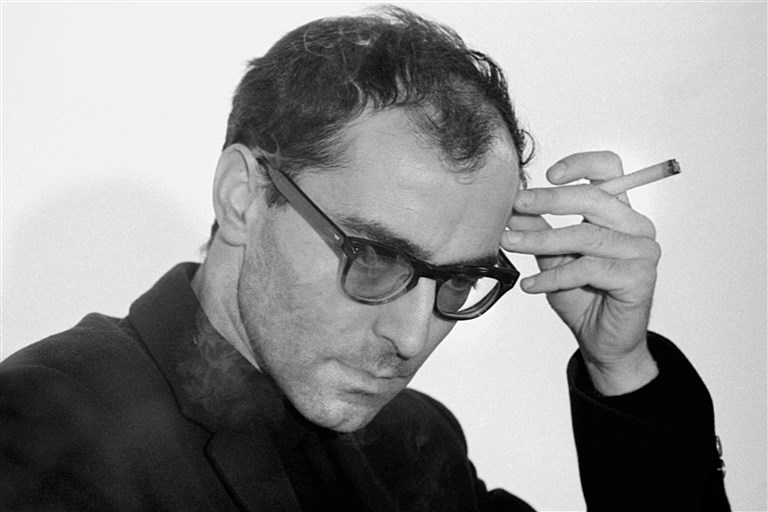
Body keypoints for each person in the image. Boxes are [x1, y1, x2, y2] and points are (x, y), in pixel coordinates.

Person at [0, 6, 729, 511]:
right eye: (375, 258)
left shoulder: (414, 443)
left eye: (459, 278)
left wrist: (620, 366)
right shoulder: (44, 427)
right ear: (244, 197)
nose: (411, 338)